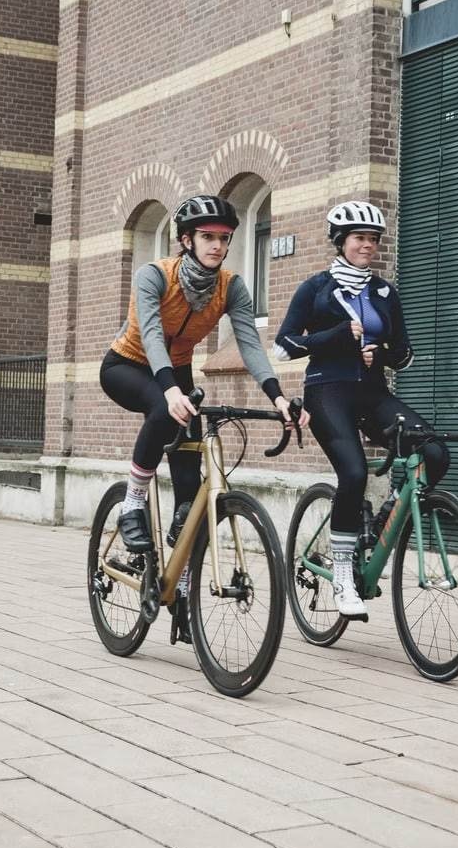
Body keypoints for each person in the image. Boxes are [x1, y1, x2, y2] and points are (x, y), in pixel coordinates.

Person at [101, 193, 306, 638]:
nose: (217, 245)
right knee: (163, 407)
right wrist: (170, 389)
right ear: (187, 239)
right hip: (128, 365)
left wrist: (278, 398)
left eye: (224, 238)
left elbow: (250, 344)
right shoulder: (154, 275)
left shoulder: (230, 286)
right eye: (208, 237)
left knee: (193, 497)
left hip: (175, 373)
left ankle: (184, 595)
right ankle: (133, 503)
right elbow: (152, 335)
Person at [275, 200, 449, 620]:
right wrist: (337, 335)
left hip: (372, 393)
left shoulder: (385, 292)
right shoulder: (316, 288)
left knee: (435, 452)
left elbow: (405, 355)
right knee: (352, 473)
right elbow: (284, 345)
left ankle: (389, 512)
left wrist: (381, 353)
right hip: (327, 392)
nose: (367, 246)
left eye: (373, 240)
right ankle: (343, 574)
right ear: (341, 242)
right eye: (359, 239)